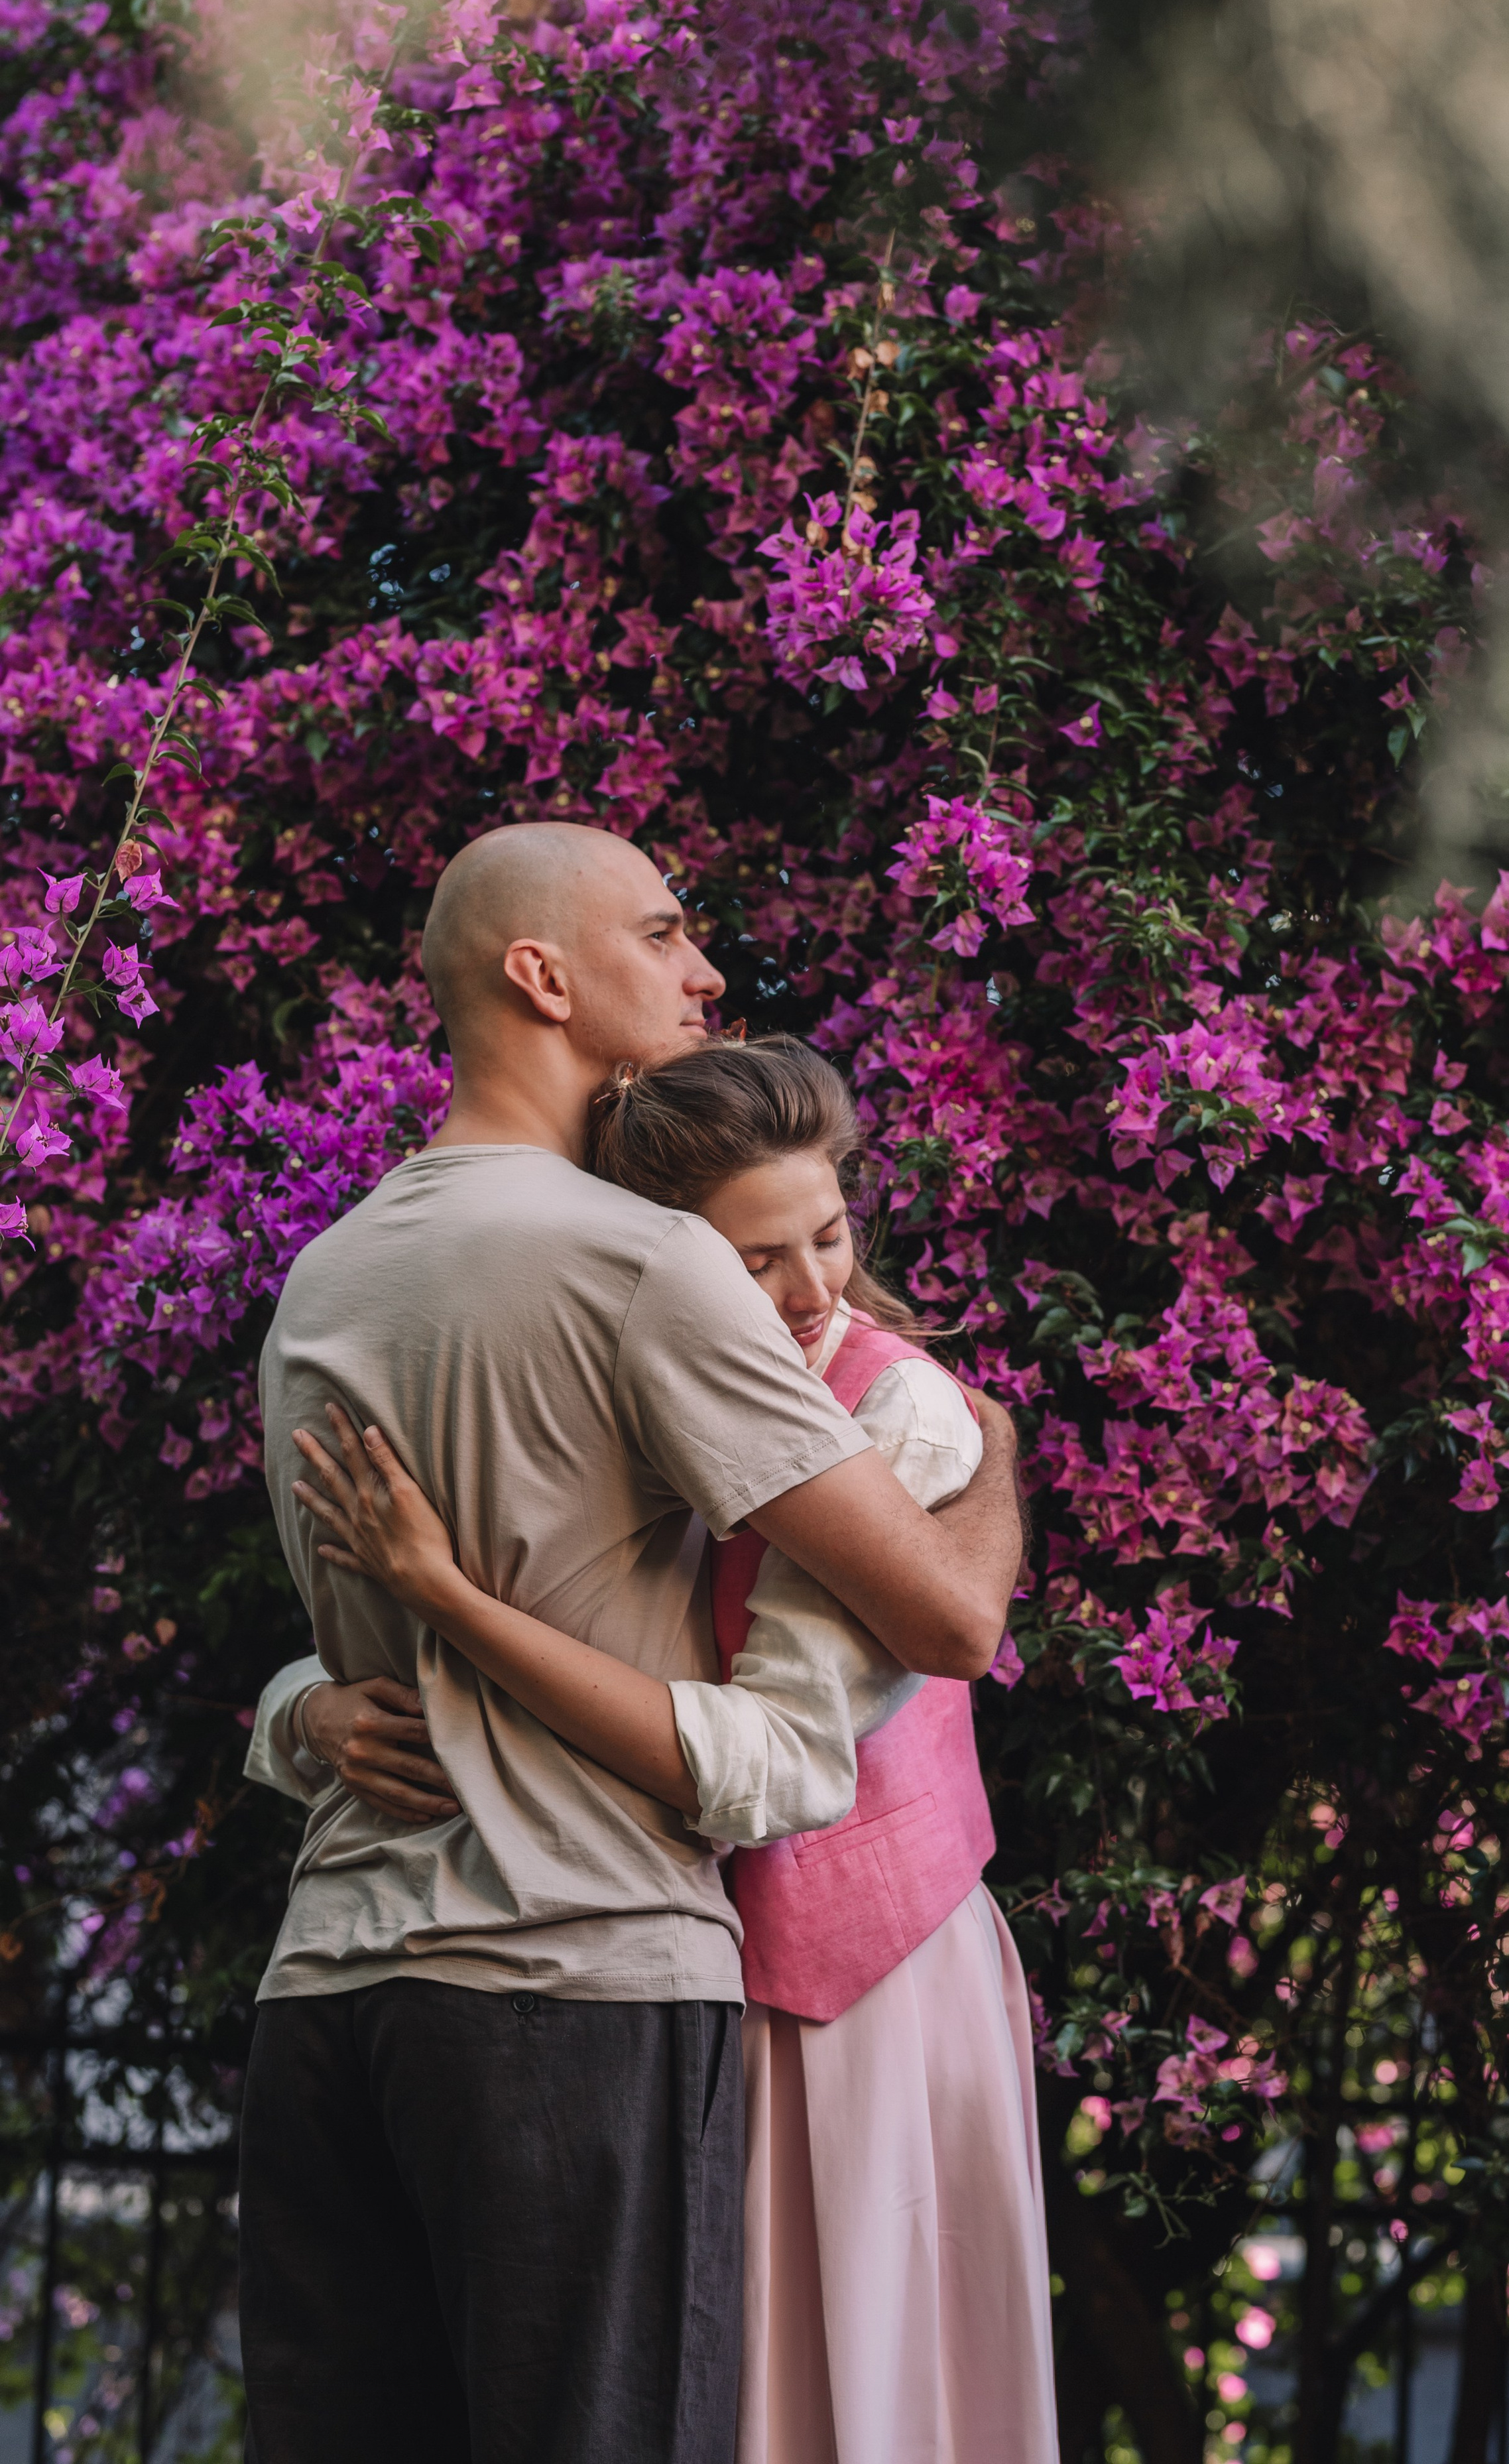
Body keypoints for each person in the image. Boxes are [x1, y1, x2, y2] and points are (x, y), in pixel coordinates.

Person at [239, 822, 1024, 2464]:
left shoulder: (324, 1276)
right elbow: (946, 1616)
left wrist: (299, 1712)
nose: (704, 971)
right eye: (662, 934)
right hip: (566, 1978)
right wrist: (996, 1448)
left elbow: (346, 1641)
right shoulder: (645, 1260)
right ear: (540, 975)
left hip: (328, 1990)